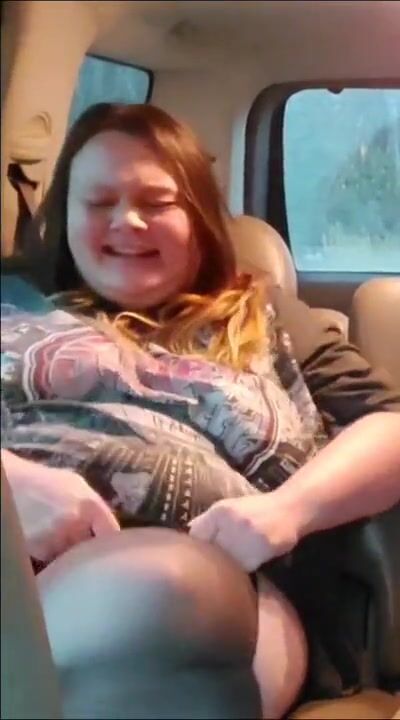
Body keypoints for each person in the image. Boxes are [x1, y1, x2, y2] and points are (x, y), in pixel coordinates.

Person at [1, 102, 400, 719]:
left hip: (217, 586)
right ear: (65, 216)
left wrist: (288, 510)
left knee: (152, 594)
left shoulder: (265, 315)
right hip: (15, 572)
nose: (127, 220)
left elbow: (390, 426)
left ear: (200, 217)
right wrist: (12, 487)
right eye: (99, 202)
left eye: (157, 202)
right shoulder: (12, 303)